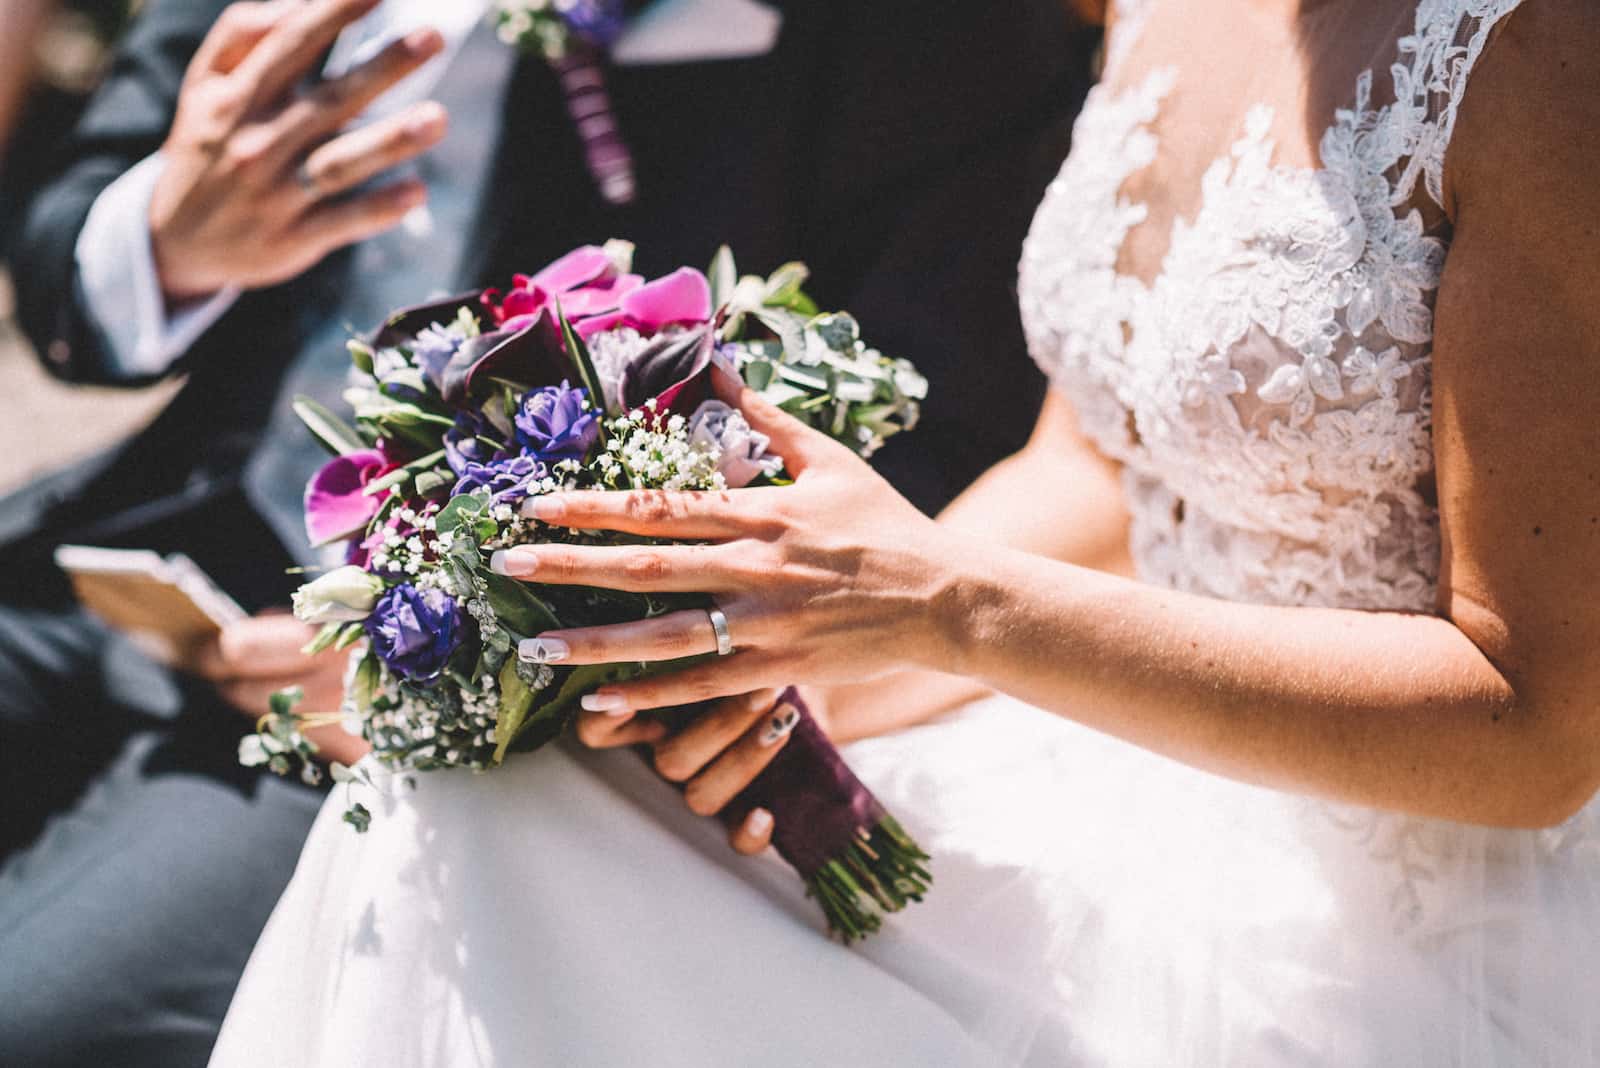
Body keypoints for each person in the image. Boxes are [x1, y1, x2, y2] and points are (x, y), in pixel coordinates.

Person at [212, 0, 1600, 1064]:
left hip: (1409, 901)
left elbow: (1538, 730)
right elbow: (1106, 470)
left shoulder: (1544, 60)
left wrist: (946, 603)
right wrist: (792, 655)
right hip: (1113, 733)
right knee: (509, 806)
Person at [0, 0, 1095, 1063]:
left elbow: (931, 439)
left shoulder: (938, 28)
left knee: (41, 1015)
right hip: (144, 547)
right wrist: (164, 237)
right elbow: (64, 247)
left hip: (432, 688)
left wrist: (468, 648)